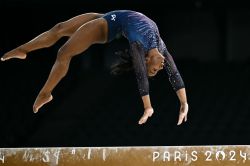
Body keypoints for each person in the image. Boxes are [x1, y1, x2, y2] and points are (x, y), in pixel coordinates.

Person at [1, 10, 189, 125]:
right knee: (58, 28)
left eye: (155, 70)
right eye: (155, 70)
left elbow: (141, 74)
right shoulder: (160, 47)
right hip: (108, 16)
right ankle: (22, 50)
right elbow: (175, 74)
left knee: (63, 53)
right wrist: (183, 103)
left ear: (145, 59)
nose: (162, 66)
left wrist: (147, 107)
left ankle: (45, 93)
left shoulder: (138, 45)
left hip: (104, 26)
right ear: (149, 59)